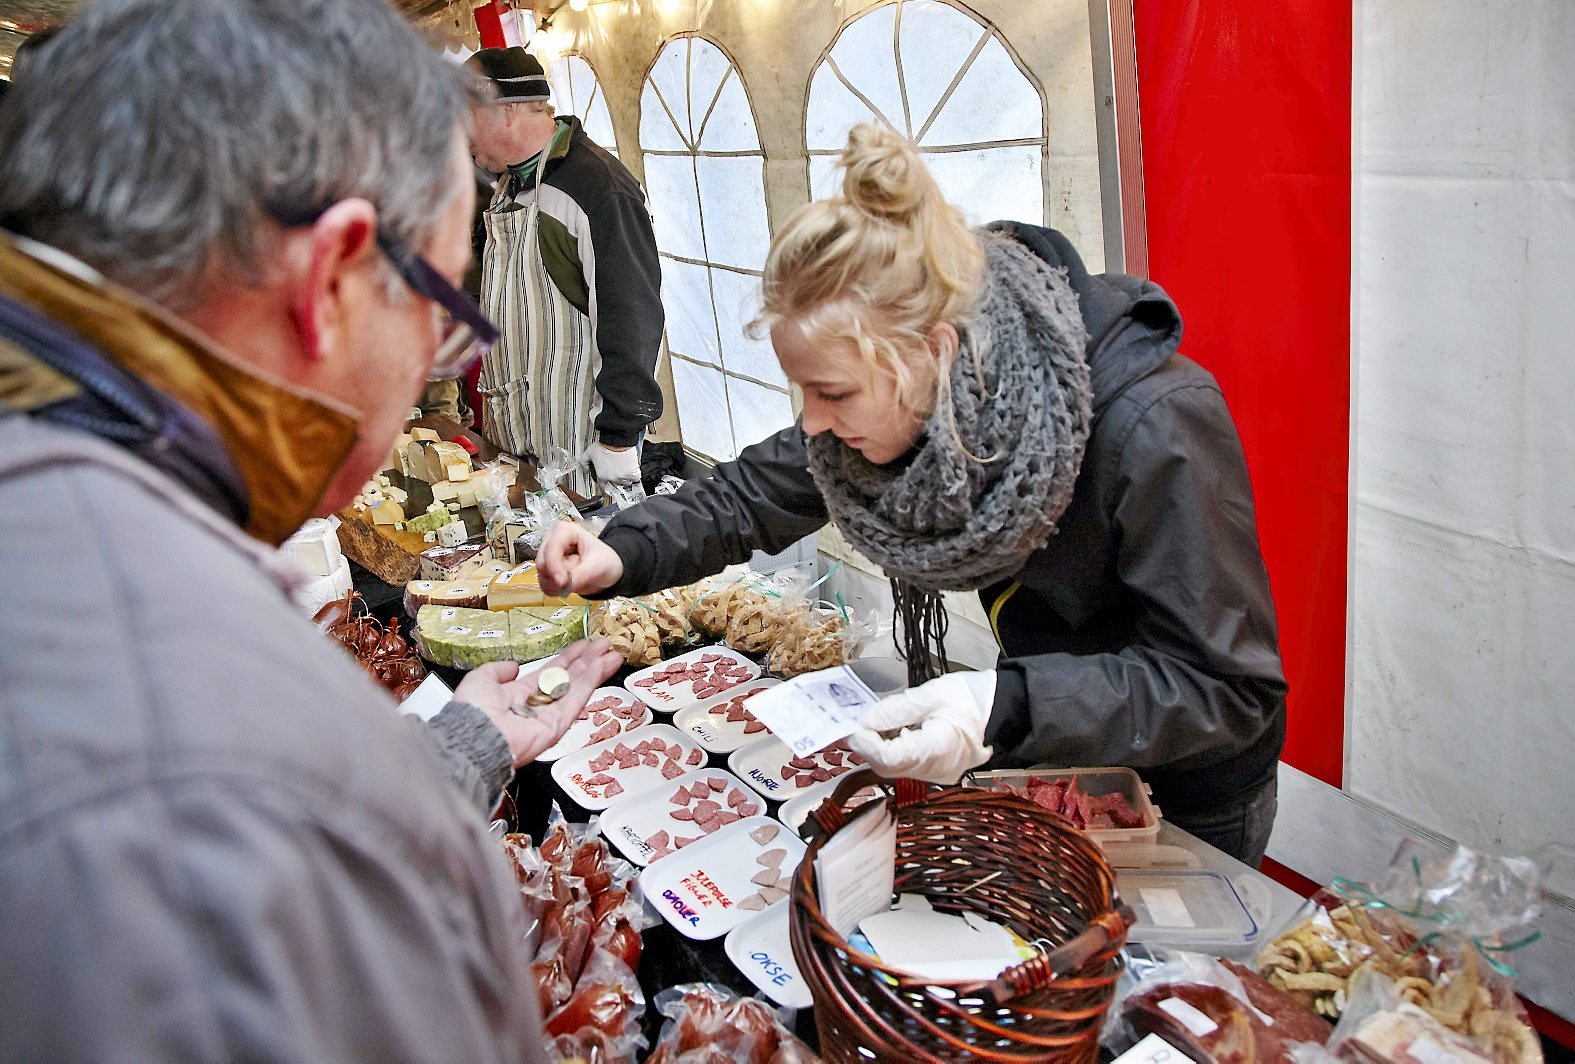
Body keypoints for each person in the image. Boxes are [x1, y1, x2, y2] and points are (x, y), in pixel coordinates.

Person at [0, 0, 619, 1058]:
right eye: (444, 306)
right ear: (332, 279)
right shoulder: (211, 769)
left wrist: (456, 752)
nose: (443, 358)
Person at [540, 124, 1288, 866]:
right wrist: (622, 549)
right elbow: (749, 495)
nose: (813, 423)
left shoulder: (1152, 422)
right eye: (803, 391)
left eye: (831, 393)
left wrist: (1003, 703)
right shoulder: (915, 395)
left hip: (1187, 781)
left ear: (935, 349)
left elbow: (1221, 686)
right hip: (1056, 735)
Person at [466, 47, 664, 497]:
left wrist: (618, 433)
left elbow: (630, 315)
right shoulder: (507, 185)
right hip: (514, 439)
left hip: (576, 450)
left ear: (506, 111)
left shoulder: (597, 190)